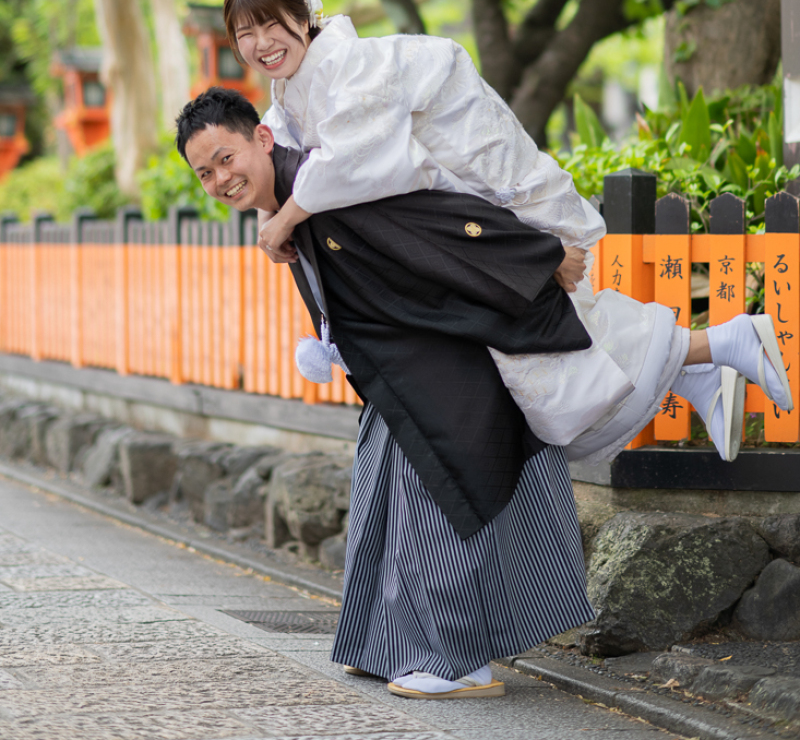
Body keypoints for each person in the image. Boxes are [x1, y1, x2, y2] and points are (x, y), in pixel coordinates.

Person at [178, 87, 788, 700]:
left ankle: (458, 663)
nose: (221, 178)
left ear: (260, 137)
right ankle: (388, 643)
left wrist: (540, 255)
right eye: (205, 172)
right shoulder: (293, 197)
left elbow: (437, 220)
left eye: (226, 158)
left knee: (443, 510)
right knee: (385, 494)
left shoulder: (322, 188)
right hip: (408, 363)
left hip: (444, 365)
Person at [221, 0, 792, 465]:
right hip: (457, 218)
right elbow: (282, 160)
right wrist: (274, 218)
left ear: (304, 15)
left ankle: (725, 343)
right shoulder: (292, 90)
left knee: (547, 337)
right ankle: (703, 366)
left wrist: (285, 218)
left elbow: (359, 160)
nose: (264, 42)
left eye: (274, 23)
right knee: (545, 344)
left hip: (491, 200)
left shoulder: (352, 65)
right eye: (247, 33)